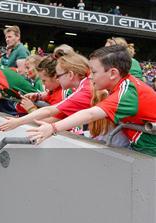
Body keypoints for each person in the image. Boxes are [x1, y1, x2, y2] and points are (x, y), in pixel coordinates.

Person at [27, 45, 156, 156]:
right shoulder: (124, 85)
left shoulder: (126, 92)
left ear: (113, 73)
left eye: (94, 72)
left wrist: (53, 128)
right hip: (143, 145)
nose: (91, 77)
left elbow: (90, 114)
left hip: (149, 149)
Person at [0, 49, 93, 132]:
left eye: (44, 80)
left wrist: (29, 111)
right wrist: (39, 96)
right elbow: (49, 97)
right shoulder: (71, 87)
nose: (43, 84)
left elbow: (48, 116)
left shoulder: (66, 92)